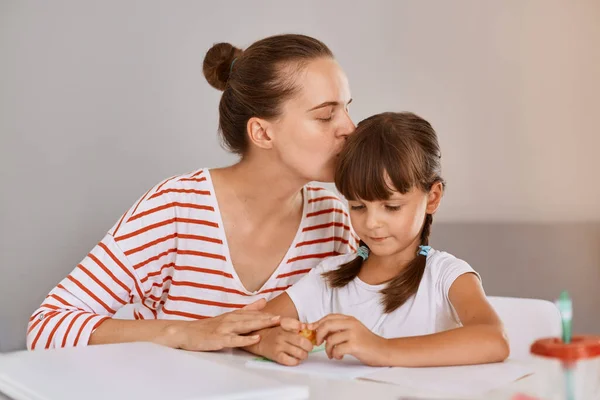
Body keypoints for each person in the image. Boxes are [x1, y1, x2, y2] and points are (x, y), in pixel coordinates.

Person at [27, 34, 357, 351]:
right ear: (261, 132)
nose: (351, 129)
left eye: (346, 109)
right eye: (326, 116)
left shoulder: (334, 220)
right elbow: (47, 326)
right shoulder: (175, 209)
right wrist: (188, 332)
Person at [246, 112, 509, 367]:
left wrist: (381, 348)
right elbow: (248, 325)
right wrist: (264, 341)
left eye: (391, 207)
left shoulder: (446, 276)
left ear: (432, 198)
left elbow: (494, 340)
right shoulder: (329, 278)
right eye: (358, 206)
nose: (371, 223)